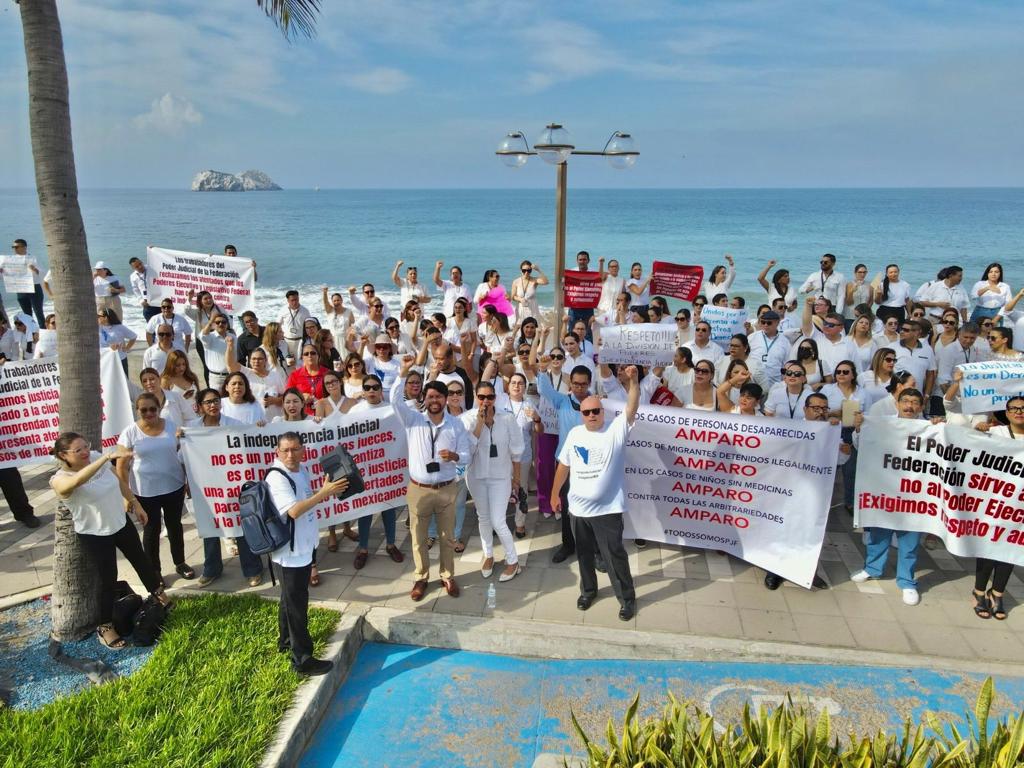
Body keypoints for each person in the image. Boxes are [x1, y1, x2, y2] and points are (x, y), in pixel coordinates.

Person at [50, 434, 170, 649]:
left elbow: (118, 480)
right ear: (63, 455)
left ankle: (159, 595)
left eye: (86, 446)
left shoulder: (95, 457)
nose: (86, 452)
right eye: (78, 450)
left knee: (142, 561)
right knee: (108, 579)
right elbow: (76, 482)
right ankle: (104, 626)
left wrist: (134, 503)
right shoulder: (59, 479)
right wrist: (104, 459)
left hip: (120, 523)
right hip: (95, 533)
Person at [552, 365, 641, 620]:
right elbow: (564, 465)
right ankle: (588, 591)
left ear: (603, 411)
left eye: (596, 411)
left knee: (614, 556)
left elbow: (632, 407)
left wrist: (633, 381)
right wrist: (555, 493)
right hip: (578, 511)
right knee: (584, 555)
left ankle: (626, 599)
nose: (592, 415)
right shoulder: (575, 434)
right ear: (581, 414)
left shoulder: (616, 429)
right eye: (587, 412)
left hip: (608, 511)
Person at [266, 432, 350, 676]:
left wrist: (328, 491)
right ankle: (302, 659)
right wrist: (324, 492)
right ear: (277, 452)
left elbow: (307, 499)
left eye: (295, 449)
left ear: (303, 450)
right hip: (289, 553)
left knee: (288, 599)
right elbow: (293, 511)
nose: (290, 455)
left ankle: (285, 641)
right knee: (297, 606)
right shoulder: (277, 477)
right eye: (285, 451)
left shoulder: (300, 471)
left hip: (303, 547)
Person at [391, 357, 470, 601]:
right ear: (424, 399)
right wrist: (403, 372)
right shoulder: (413, 419)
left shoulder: (456, 425)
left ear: (446, 400)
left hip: (446, 489)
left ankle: (447, 575)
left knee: (447, 537)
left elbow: (466, 456)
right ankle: (421, 578)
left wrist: (455, 455)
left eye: (439, 397)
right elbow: (394, 399)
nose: (434, 401)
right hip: (418, 488)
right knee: (419, 538)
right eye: (430, 397)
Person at [852, 388, 928, 605]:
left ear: (921, 407)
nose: (909, 406)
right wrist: (859, 428)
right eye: (905, 401)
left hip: (915, 494)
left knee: (910, 539)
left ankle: (906, 581)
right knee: (878, 532)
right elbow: (861, 446)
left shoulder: (930, 429)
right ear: (897, 404)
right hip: (884, 489)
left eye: (915, 402)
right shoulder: (881, 423)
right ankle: (872, 568)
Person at [115, 392, 195, 585]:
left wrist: (188, 481)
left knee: (175, 527)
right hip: (145, 491)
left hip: (174, 486)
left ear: (159, 409)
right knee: (152, 531)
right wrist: (126, 496)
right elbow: (121, 466)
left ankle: (180, 562)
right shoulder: (130, 432)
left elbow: (183, 453)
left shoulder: (171, 427)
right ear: (137, 411)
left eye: (153, 409)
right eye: (144, 410)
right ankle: (155, 571)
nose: (149, 413)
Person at [462, 380, 524, 582]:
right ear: (476, 397)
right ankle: (488, 555)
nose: (486, 401)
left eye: (490, 397)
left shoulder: (507, 418)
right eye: (481, 397)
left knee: (498, 520)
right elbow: (467, 451)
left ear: (495, 398)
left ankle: (513, 560)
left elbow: (516, 452)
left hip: (500, 477)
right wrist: (479, 423)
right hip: (476, 476)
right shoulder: (468, 419)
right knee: (484, 517)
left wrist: (517, 480)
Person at [971, 396, 1024, 620]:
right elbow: (972, 450)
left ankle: (998, 593)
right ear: (1007, 412)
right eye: (1014, 408)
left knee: (1011, 547)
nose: (1019, 412)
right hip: (995, 502)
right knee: (989, 547)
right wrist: (978, 430)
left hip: (1019, 506)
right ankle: (979, 591)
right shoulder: (997, 433)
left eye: (1023, 408)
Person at [347, 375, 405, 568]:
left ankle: (390, 544)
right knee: (365, 510)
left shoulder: (390, 410)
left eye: (375, 387)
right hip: (365, 470)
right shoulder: (355, 411)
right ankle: (363, 549)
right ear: (363, 391)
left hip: (386, 469)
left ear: (381, 390)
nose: (371, 390)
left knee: (389, 508)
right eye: (367, 387)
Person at [8, 239, 45, 326]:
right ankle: (31, 335)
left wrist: (35, 269)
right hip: (21, 289)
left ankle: (44, 334)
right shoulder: (11, 261)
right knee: (27, 315)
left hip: (34, 288)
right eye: (13, 247)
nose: (15, 249)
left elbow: (44, 273)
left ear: (24, 247)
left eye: (17, 247)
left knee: (39, 312)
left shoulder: (33, 258)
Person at [285, 343, 329, 415]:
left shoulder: (328, 373)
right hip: (303, 417)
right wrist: (300, 397)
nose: (310, 355)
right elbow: (287, 397)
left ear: (318, 356)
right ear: (302, 357)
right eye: (306, 354)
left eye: (313, 353)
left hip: (325, 414)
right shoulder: (295, 375)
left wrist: (321, 402)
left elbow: (335, 395)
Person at [198, 310, 234, 392]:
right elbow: (203, 335)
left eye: (223, 322)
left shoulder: (233, 337)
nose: (221, 324)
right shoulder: (209, 337)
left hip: (231, 375)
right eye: (217, 322)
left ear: (227, 324)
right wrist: (211, 320)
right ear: (213, 325)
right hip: (216, 378)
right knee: (216, 402)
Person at [279, 290, 311, 361]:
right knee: (288, 362)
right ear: (288, 300)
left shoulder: (305, 311)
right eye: (292, 300)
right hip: (286, 341)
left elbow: (309, 326)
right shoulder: (283, 310)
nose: (295, 302)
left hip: (300, 341)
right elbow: (278, 325)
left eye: (296, 299)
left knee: (301, 362)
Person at [128, 256, 160, 321]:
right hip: (147, 303)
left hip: (158, 300)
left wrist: (153, 250)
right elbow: (136, 290)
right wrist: (141, 301)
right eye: (136, 266)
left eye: (140, 264)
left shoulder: (151, 268)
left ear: (142, 262)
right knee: (151, 325)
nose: (140, 267)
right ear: (133, 268)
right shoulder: (133, 276)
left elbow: (160, 263)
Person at [843, 264, 873, 329]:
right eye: (860, 272)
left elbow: (871, 301)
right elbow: (848, 302)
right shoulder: (849, 284)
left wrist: (866, 312)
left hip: (864, 317)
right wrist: (851, 291)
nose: (862, 274)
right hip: (850, 316)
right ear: (855, 272)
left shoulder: (870, 285)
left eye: (864, 272)